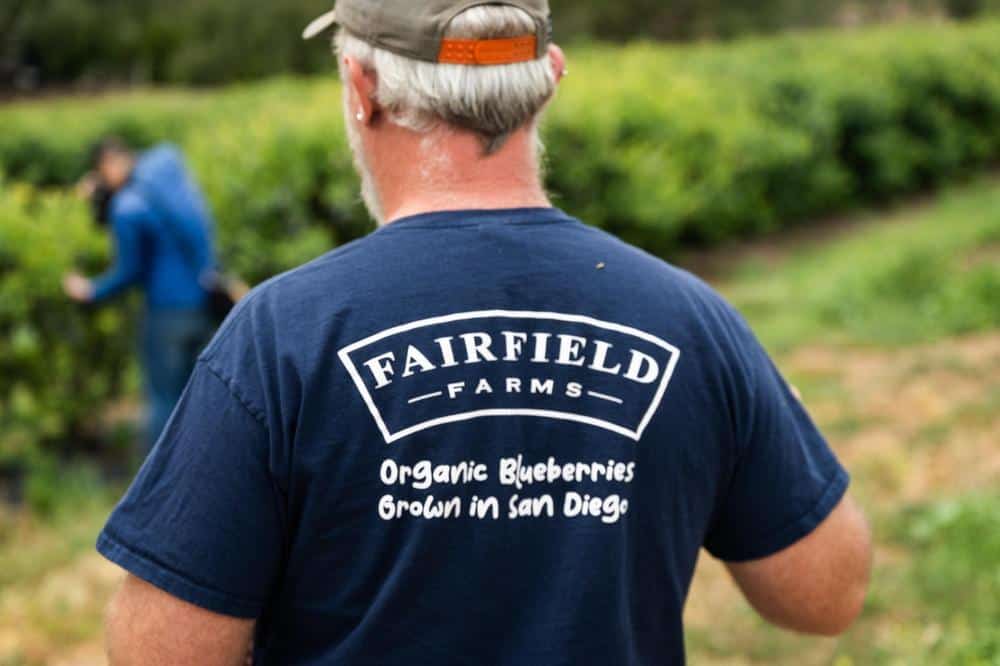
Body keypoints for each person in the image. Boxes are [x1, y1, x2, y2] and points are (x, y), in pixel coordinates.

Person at [97, 1, 872, 664]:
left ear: (361, 88)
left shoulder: (280, 339)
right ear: (551, 79)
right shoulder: (692, 324)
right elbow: (827, 595)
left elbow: (158, 652)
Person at [64, 139, 218, 456]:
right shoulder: (168, 186)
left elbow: (128, 271)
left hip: (164, 315)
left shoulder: (128, 206)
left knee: (162, 400)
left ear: (108, 164)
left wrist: (91, 290)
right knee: (197, 399)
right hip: (201, 307)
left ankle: (161, 487)